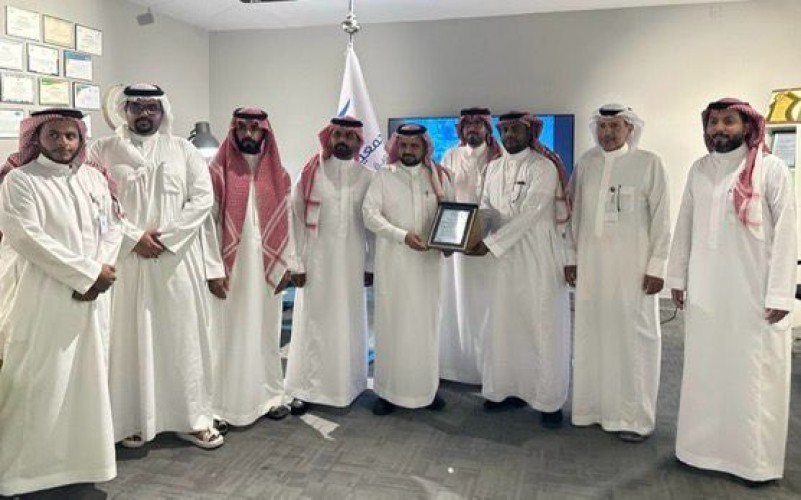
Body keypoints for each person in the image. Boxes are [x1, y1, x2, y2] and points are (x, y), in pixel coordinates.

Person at [667, 98, 796, 482]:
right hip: (706, 294)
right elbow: (685, 225)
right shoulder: (700, 169)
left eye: (728, 121)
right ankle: (699, 450)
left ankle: (753, 464)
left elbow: (787, 234)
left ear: (747, 126)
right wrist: (678, 278)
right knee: (705, 372)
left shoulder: (770, 170)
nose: (719, 129)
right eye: (713, 122)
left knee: (753, 377)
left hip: (753, 296)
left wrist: (780, 294)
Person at [87, 83, 222, 449]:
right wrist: (133, 238)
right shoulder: (101, 149)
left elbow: (202, 198)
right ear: (124, 110)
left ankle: (193, 419)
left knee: (183, 338)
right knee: (128, 340)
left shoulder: (184, 149)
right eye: (137, 107)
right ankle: (131, 420)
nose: (144, 113)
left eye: (152, 107)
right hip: (126, 259)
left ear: (163, 111)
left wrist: (167, 239)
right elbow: (95, 201)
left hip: (176, 260)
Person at [0, 109, 121, 495]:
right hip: (43, 297)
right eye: (53, 134)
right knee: (40, 381)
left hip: (92, 298)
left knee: (88, 381)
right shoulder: (20, 179)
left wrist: (100, 271)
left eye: (71, 135)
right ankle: (23, 474)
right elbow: (25, 236)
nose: (63, 143)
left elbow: (112, 226)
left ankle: (83, 463)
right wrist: (85, 274)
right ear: (37, 137)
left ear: (81, 138)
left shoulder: (93, 178)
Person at [565, 104, 670, 442]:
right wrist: (571, 257)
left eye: (615, 126)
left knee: (633, 340)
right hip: (591, 266)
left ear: (629, 129)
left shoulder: (649, 163)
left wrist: (657, 266)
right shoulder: (586, 163)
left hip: (633, 269)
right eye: (602, 126)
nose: (607, 133)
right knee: (592, 334)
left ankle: (633, 418)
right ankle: (592, 409)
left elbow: (662, 219)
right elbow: (574, 216)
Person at [469, 111, 571, 428]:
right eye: (505, 129)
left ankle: (548, 400)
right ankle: (505, 390)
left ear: (530, 132)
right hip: (502, 261)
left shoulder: (544, 167)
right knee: (503, 324)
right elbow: (486, 207)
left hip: (537, 257)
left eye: (516, 129)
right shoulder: (493, 167)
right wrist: (471, 232)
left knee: (541, 325)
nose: (510, 135)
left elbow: (530, 214)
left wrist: (490, 243)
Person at [202, 107, 293, 427]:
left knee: (266, 333)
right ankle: (220, 407)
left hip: (268, 269)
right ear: (234, 131)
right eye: (242, 128)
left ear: (265, 133)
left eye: (255, 129)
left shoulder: (280, 175)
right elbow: (207, 224)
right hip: (229, 270)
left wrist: (288, 264)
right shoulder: (216, 172)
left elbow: (288, 221)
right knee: (225, 335)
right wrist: (213, 268)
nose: (249, 134)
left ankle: (269, 398)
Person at [284, 116, 374, 414]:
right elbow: (294, 218)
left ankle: (350, 385)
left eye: (349, 136)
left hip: (351, 263)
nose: (342, 141)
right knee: (314, 325)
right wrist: (295, 263)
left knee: (348, 323)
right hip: (316, 263)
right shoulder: (311, 173)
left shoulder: (367, 177)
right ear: (329, 137)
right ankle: (305, 389)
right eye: (338, 135)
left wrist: (371, 263)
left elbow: (372, 226)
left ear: (358, 141)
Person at [362, 123, 453, 415]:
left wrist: (450, 242)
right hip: (394, 268)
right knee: (392, 326)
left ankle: (427, 390)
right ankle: (387, 392)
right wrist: (401, 236)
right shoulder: (383, 176)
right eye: (403, 145)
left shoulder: (438, 176)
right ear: (396, 146)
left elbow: (451, 214)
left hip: (428, 269)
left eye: (415, 145)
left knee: (426, 327)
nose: (408, 150)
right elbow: (369, 214)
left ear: (425, 147)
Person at [438, 107, 500, 385]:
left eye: (478, 124)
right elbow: (444, 196)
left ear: (487, 128)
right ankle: (456, 367)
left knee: (487, 305)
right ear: (461, 129)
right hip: (457, 244)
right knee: (456, 302)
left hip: (488, 244)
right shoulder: (451, 155)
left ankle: (486, 370)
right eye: (468, 125)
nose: (472, 129)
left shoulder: (498, 157)